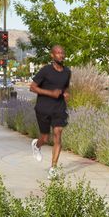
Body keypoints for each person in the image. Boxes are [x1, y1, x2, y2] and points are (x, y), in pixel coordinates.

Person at [29, 45, 71, 179]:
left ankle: (53, 168)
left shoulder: (67, 72)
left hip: (59, 108)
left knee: (58, 133)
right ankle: (37, 145)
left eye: (62, 53)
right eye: (58, 53)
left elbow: (65, 88)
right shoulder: (45, 71)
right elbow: (32, 87)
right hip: (43, 108)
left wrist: (65, 93)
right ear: (52, 56)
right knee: (45, 138)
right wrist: (50, 93)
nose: (61, 55)